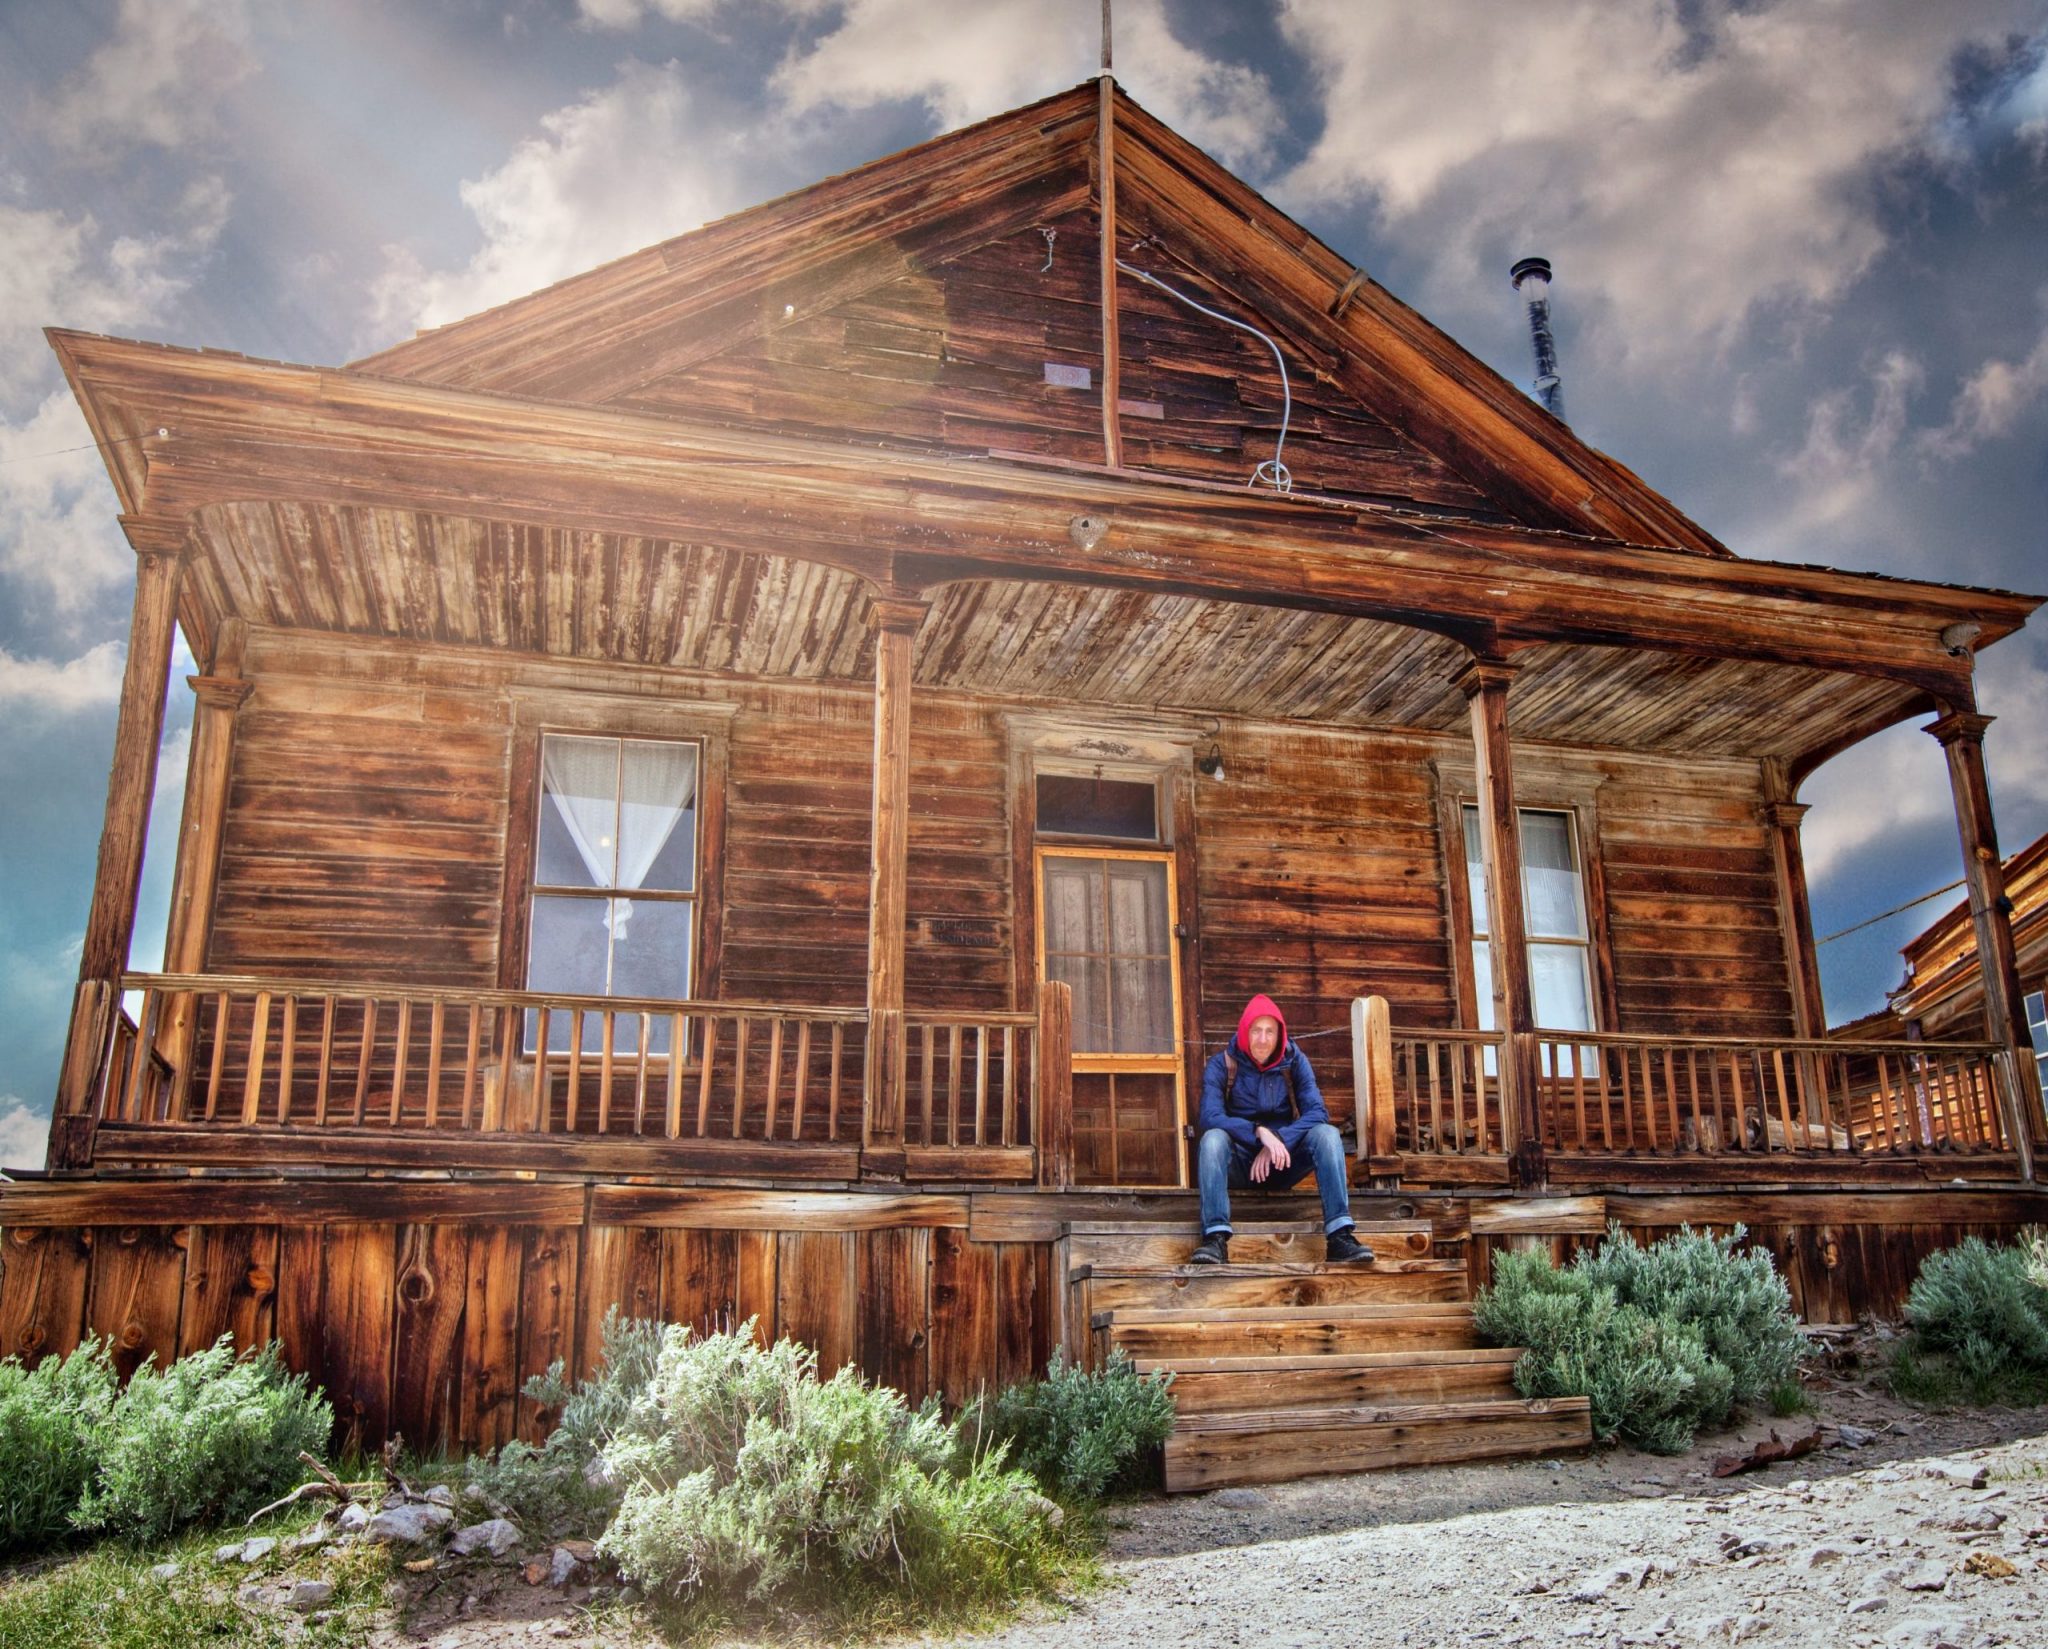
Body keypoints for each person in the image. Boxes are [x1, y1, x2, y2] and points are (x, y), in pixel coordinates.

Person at [1189, 994, 1375, 1266]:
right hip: (1240, 1164)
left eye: (1269, 1032)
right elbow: (1210, 1115)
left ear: (1280, 1035)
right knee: (1213, 1139)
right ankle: (1215, 1238)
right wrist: (1258, 1132)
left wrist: (1278, 1140)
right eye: (1256, 1030)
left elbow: (1318, 1112)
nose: (1262, 1039)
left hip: (1281, 1161)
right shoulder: (1222, 1064)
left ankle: (1340, 1236)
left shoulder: (1294, 1061)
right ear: (1244, 1031)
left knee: (1327, 1134)